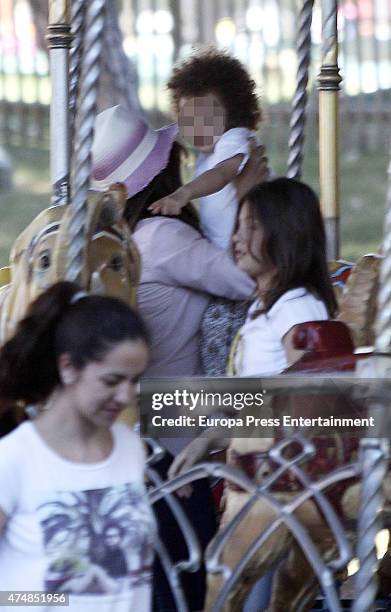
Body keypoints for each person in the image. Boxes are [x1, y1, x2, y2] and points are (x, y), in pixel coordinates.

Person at [91, 105, 267, 612]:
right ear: (165, 170)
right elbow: (254, 279)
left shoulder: (126, 242)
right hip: (182, 444)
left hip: (152, 433)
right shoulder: (164, 238)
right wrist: (248, 196)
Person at [168, 178, 338, 611]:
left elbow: (300, 400)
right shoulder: (268, 308)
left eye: (251, 227)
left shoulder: (298, 309)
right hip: (257, 474)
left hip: (281, 481)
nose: (236, 238)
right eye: (238, 226)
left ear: (284, 234)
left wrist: (211, 438)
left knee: (232, 586)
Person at [0, 281, 155, 612]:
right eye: (112, 381)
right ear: (67, 368)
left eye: (135, 380)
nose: (126, 396)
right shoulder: (13, 458)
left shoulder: (130, 448)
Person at [149, 47, 262, 252]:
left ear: (233, 113)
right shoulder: (207, 154)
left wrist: (183, 194)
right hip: (225, 251)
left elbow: (222, 173)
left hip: (245, 252)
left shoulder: (234, 139)